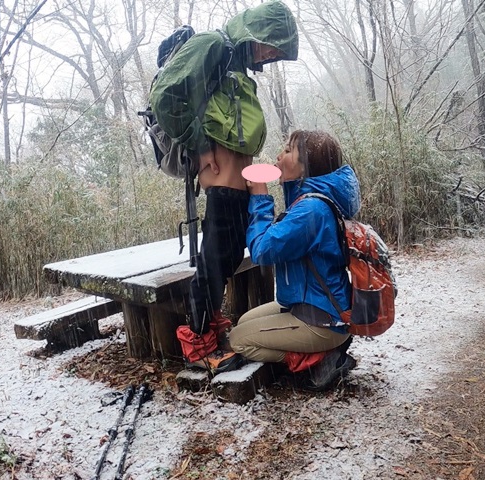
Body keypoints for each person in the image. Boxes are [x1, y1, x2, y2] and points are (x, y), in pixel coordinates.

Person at [150, 1, 298, 372]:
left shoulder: (233, 61)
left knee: (229, 255)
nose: (268, 55)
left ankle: (211, 323)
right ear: (256, 31)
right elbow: (166, 96)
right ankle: (198, 343)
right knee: (214, 261)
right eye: (270, 46)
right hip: (219, 179)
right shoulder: (213, 45)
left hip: (236, 183)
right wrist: (199, 146)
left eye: (275, 53)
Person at [228, 130, 360, 391]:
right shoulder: (307, 203)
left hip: (322, 320)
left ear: (304, 168)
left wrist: (260, 197)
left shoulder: (311, 210)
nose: (279, 155)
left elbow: (263, 250)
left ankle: (321, 358)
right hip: (311, 305)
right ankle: (323, 349)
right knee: (243, 322)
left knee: (238, 340)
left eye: (288, 151)